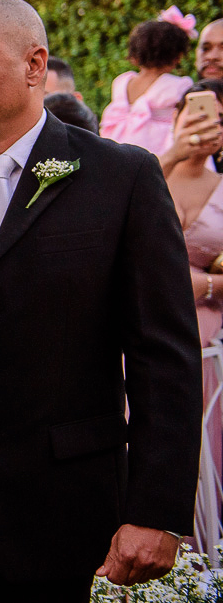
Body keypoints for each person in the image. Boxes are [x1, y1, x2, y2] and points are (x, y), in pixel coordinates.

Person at [0, 0, 202, 602]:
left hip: (68, 513)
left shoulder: (121, 178)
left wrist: (156, 509)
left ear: (33, 65)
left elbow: (163, 355)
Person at [163, 80, 223, 550]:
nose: (207, 127)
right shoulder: (143, 168)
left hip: (207, 345)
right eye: (197, 115)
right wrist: (171, 152)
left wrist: (205, 284)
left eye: (216, 119)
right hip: (145, 341)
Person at [99, 14, 195, 155]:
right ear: (178, 56)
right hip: (156, 152)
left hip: (117, 147)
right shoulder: (178, 86)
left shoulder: (122, 82)